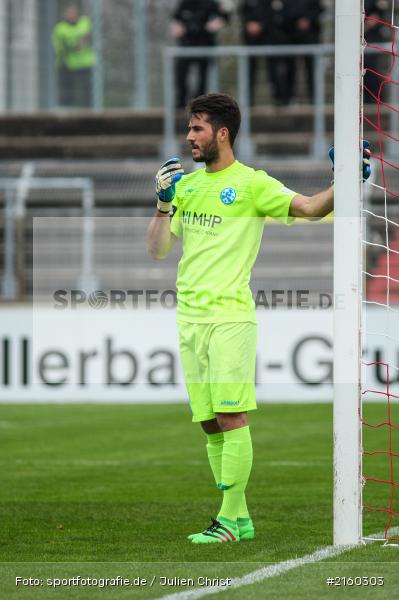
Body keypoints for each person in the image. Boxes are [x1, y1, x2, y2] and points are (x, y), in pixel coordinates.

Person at [147, 93, 370, 543]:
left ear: (222, 133)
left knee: (231, 417)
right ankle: (241, 517)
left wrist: (346, 180)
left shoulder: (252, 184)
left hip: (230, 317)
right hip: (190, 319)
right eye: (189, 128)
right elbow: (157, 250)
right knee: (210, 423)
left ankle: (227, 520)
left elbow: (310, 208)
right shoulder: (185, 187)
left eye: (197, 128)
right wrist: (162, 203)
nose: (189, 137)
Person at [240, 0, 323, 105]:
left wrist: (308, 19)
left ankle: (309, 100)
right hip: (265, 39)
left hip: (302, 38)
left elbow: (317, 9)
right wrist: (252, 24)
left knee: (301, 69)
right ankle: (258, 102)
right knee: (269, 70)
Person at [171, 0, 228, 108]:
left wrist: (216, 23)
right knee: (181, 74)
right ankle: (181, 102)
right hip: (186, 46)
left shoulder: (211, 4)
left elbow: (224, 17)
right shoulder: (185, 4)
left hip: (205, 45)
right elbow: (176, 19)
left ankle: (199, 104)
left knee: (203, 76)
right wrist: (177, 28)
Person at [52, 4, 96, 108]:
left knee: (87, 90)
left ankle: (88, 110)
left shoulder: (85, 22)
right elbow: (60, 46)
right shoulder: (60, 28)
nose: (72, 15)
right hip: (68, 64)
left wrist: (81, 43)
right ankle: (67, 110)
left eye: (73, 12)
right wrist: (75, 46)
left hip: (86, 63)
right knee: (68, 91)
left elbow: (90, 37)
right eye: (69, 12)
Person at [364, 0, 390, 104]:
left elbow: (378, 13)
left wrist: (369, 23)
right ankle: (367, 99)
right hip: (363, 37)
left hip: (373, 37)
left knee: (370, 67)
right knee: (363, 68)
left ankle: (376, 98)